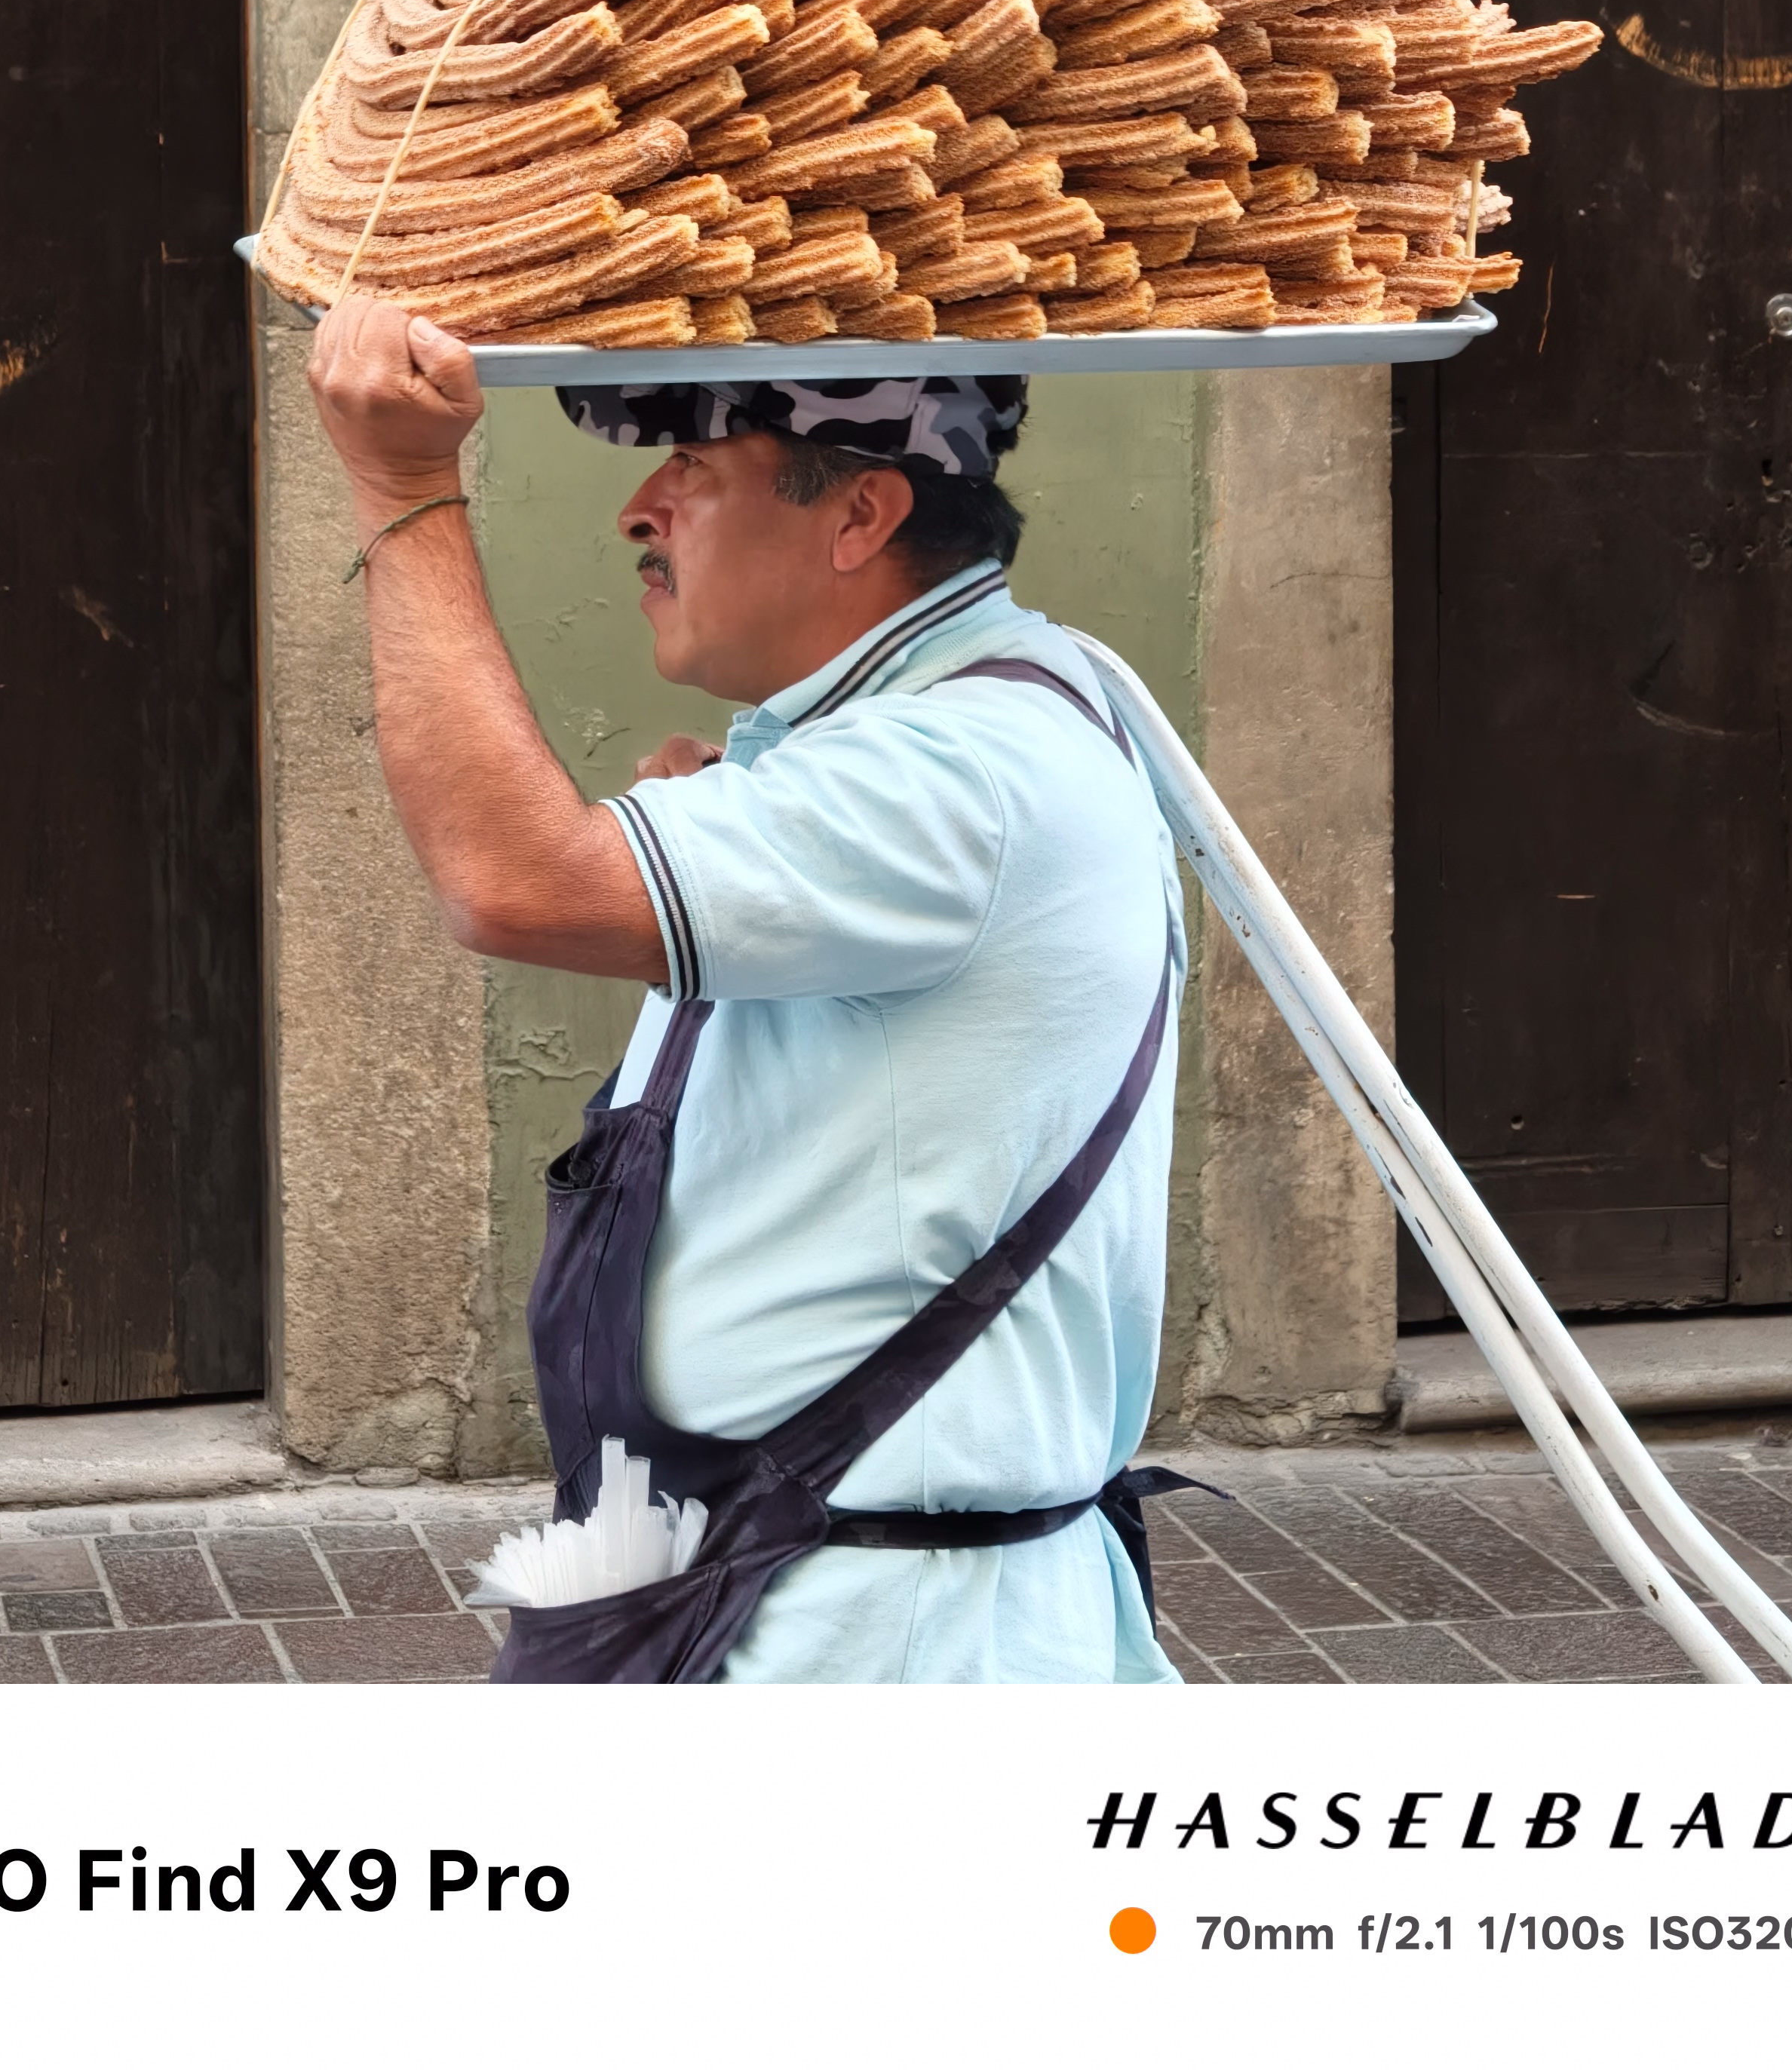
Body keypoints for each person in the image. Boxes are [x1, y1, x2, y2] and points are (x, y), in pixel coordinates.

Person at [305, 293, 1188, 1685]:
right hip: (799, 1585)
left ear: (859, 517)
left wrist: (403, 486)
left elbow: (507, 881)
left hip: (879, 1648)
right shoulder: (943, 729)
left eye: (695, 469)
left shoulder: (955, 773)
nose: (639, 511)